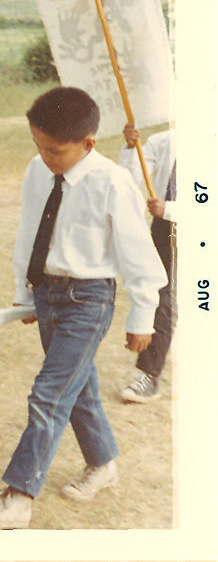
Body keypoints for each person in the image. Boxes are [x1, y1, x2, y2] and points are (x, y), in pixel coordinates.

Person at [0, 87, 167, 529]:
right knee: (78, 390)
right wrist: (25, 292)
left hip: (89, 301)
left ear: (89, 143)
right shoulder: (37, 171)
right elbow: (28, 231)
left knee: (49, 395)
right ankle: (103, 464)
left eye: (54, 150)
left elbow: (140, 257)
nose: (44, 157)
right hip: (47, 294)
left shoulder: (113, 182)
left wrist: (142, 316)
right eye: (37, 145)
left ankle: (17, 499)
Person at [118, 124, 176, 403]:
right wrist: (131, 148)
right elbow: (128, 180)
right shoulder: (163, 141)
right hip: (165, 230)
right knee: (161, 296)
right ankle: (149, 376)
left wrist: (173, 209)